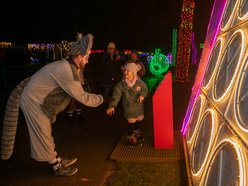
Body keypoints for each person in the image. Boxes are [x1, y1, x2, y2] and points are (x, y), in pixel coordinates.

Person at [1, 33, 103, 177]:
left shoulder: (67, 64)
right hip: (33, 100)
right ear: (79, 56)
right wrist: (102, 99)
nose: (87, 61)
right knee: (43, 135)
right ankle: (57, 167)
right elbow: (82, 97)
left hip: (37, 98)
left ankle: (57, 159)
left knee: (45, 132)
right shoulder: (66, 70)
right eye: (86, 58)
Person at [106, 62, 148, 147]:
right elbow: (116, 96)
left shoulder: (139, 82)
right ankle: (131, 137)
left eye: (128, 71)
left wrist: (142, 95)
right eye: (125, 71)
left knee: (138, 121)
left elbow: (144, 89)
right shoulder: (121, 85)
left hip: (138, 107)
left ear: (133, 73)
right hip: (129, 108)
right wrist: (112, 106)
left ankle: (137, 133)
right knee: (131, 124)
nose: (125, 73)